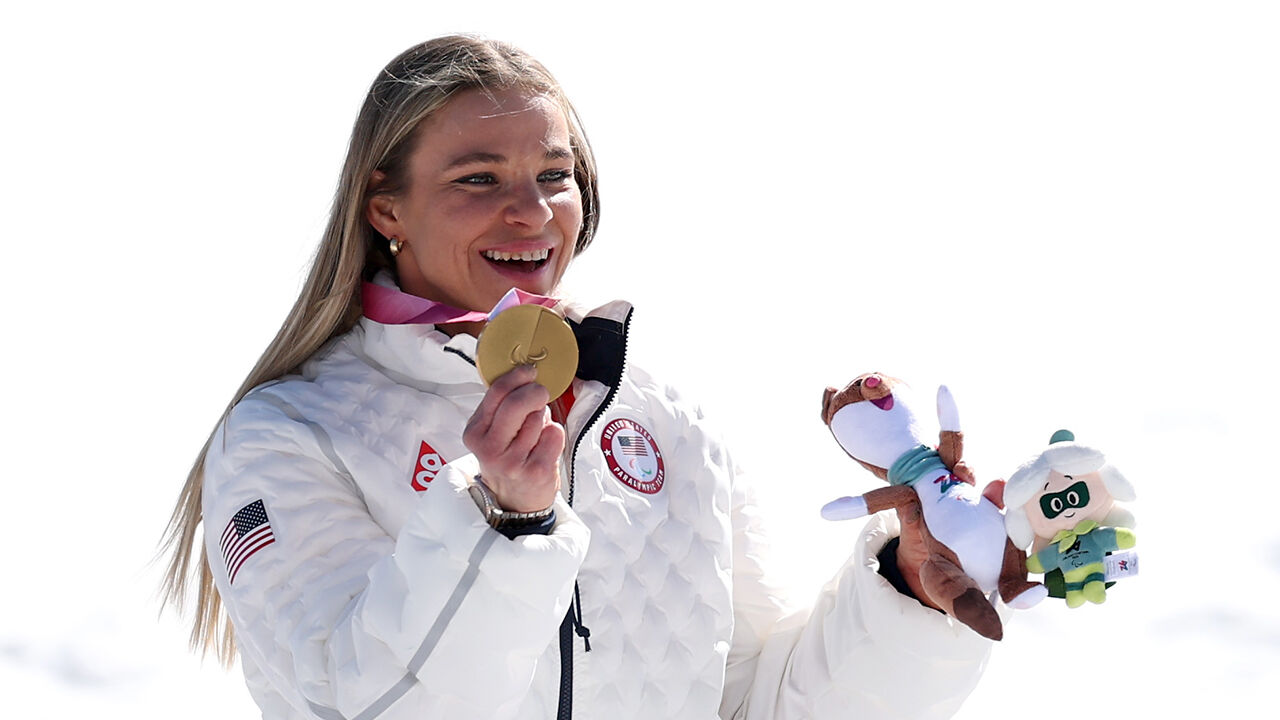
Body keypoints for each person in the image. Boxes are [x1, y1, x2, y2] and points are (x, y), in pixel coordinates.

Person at [161, 35, 996, 720]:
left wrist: (910, 595)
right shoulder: (286, 435)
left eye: (553, 176)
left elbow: (757, 704)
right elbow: (356, 705)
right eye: (477, 178)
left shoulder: (665, 418)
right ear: (385, 207)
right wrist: (500, 524)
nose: (530, 211)